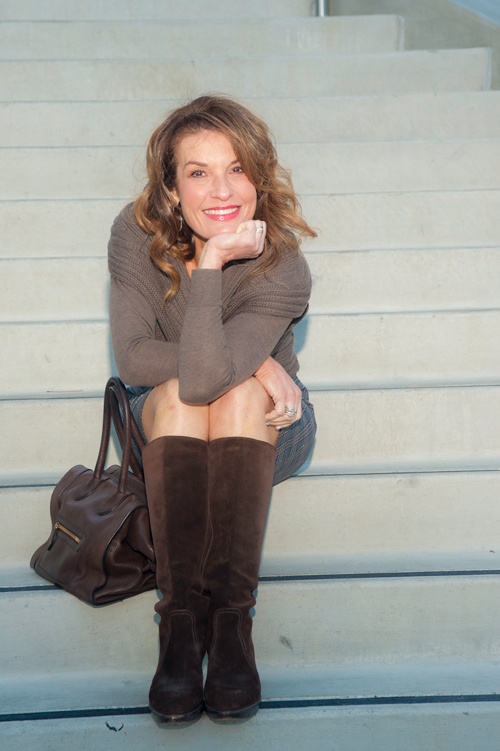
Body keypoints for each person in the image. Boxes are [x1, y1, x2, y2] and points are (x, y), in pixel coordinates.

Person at [107, 94, 317, 725]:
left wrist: (214, 265)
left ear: (260, 175)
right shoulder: (134, 233)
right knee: (176, 394)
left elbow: (209, 381)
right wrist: (248, 347)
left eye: (237, 168)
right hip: (169, 428)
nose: (222, 190)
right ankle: (179, 631)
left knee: (234, 393)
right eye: (198, 172)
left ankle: (230, 628)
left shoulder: (284, 263)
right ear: (171, 191)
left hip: (266, 432)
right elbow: (136, 360)